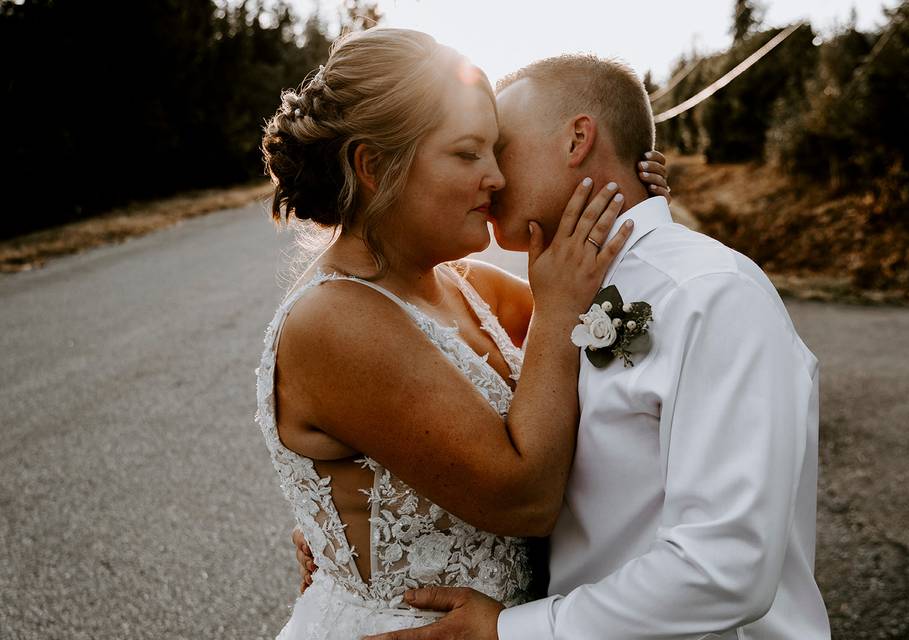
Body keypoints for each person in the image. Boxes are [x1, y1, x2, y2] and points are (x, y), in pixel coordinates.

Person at [354, 56, 832, 640]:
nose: (493, 177)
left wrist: (512, 632)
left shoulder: (708, 295)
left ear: (578, 138)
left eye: (500, 147)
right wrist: (351, 537)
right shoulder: (560, 291)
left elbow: (725, 569)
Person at [256, 28, 667, 638]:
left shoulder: (474, 286)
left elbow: (611, 351)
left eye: (497, 151)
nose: (497, 176)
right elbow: (526, 500)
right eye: (468, 153)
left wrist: (635, 210)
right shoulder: (332, 321)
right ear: (374, 166)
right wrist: (556, 313)